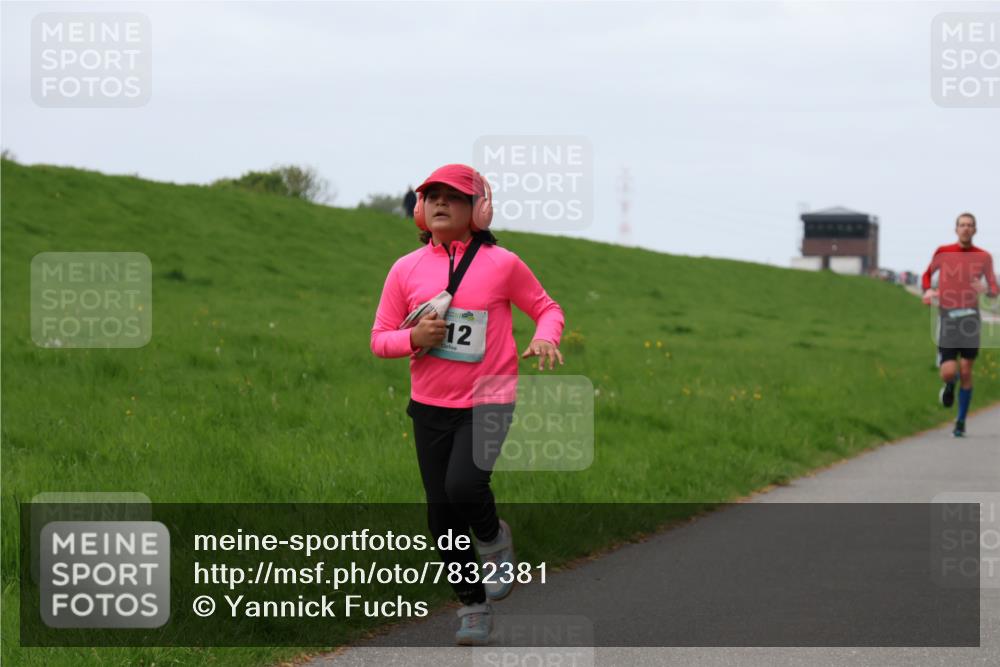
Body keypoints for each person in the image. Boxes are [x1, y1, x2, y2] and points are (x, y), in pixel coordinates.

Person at [370, 164, 565, 645]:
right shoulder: (405, 269)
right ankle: (473, 605)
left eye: (453, 197)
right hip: (429, 405)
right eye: (431, 196)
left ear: (477, 210)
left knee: (464, 483)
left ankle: (494, 539)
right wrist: (412, 338)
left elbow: (547, 308)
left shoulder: (503, 263)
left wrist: (545, 337)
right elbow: (379, 339)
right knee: (441, 518)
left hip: (489, 398)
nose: (440, 203)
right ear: (419, 209)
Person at [921, 212, 998, 437]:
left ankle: (961, 420)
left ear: (975, 230)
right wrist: (928, 291)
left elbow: (994, 287)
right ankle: (949, 385)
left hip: (971, 320)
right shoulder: (943, 252)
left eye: (970, 225)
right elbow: (926, 276)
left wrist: (987, 290)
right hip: (948, 318)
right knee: (948, 372)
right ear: (956, 229)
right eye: (962, 225)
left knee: (966, 370)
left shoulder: (984, 257)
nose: (965, 228)